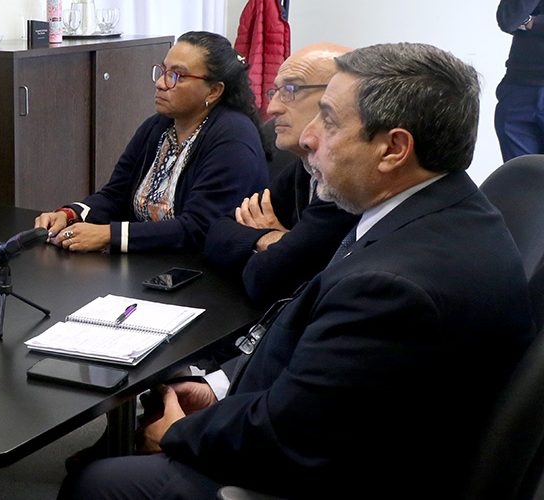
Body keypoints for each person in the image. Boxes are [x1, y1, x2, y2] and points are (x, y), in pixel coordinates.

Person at [68, 43, 535, 499]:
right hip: (341, 430)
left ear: (393, 149)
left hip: (345, 474)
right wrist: (218, 389)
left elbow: (288, 438)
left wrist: (180, 432)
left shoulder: (391, 287)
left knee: (95, 483)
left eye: (328, 120)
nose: (308, 139)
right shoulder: (439, 211)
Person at [34, 31, 267, 253]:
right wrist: (70, 214)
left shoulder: (233, 138)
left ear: (214, 91)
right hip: (147, 261)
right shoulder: (158, 126)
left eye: (177, 76)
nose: (161, 83)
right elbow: (115, 195)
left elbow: (199, 228)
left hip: (199, 270)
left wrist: (109, 235)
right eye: (163, 71)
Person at [203, 43, 358, 305]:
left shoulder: (347, 176)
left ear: (336, 96)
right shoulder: (304, 166)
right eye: (274, 92)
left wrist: (276, 248)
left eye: (290, 90)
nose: (272, 108)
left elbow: (266, 281)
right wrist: (274, 239)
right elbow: (217, 233)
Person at [496, 0, 544, 161]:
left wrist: (534, 22)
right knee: (521, 174)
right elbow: (509, 18)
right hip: (517, 87)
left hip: (519, 87)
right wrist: (531, 22)